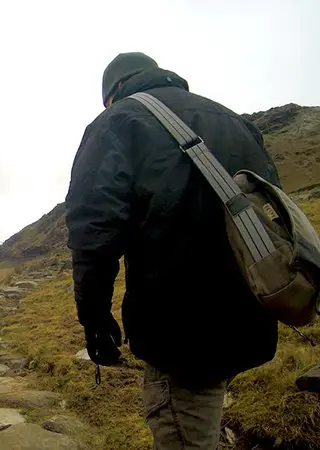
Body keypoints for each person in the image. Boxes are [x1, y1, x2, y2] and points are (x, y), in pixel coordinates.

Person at [64, 52, 281, 449]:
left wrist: (94, 317)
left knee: (181, 427)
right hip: (253, 308)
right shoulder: (237, 123)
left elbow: (93, 231)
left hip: (181, 326)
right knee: (204, 412)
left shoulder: (119, 121)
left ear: (112, 93)